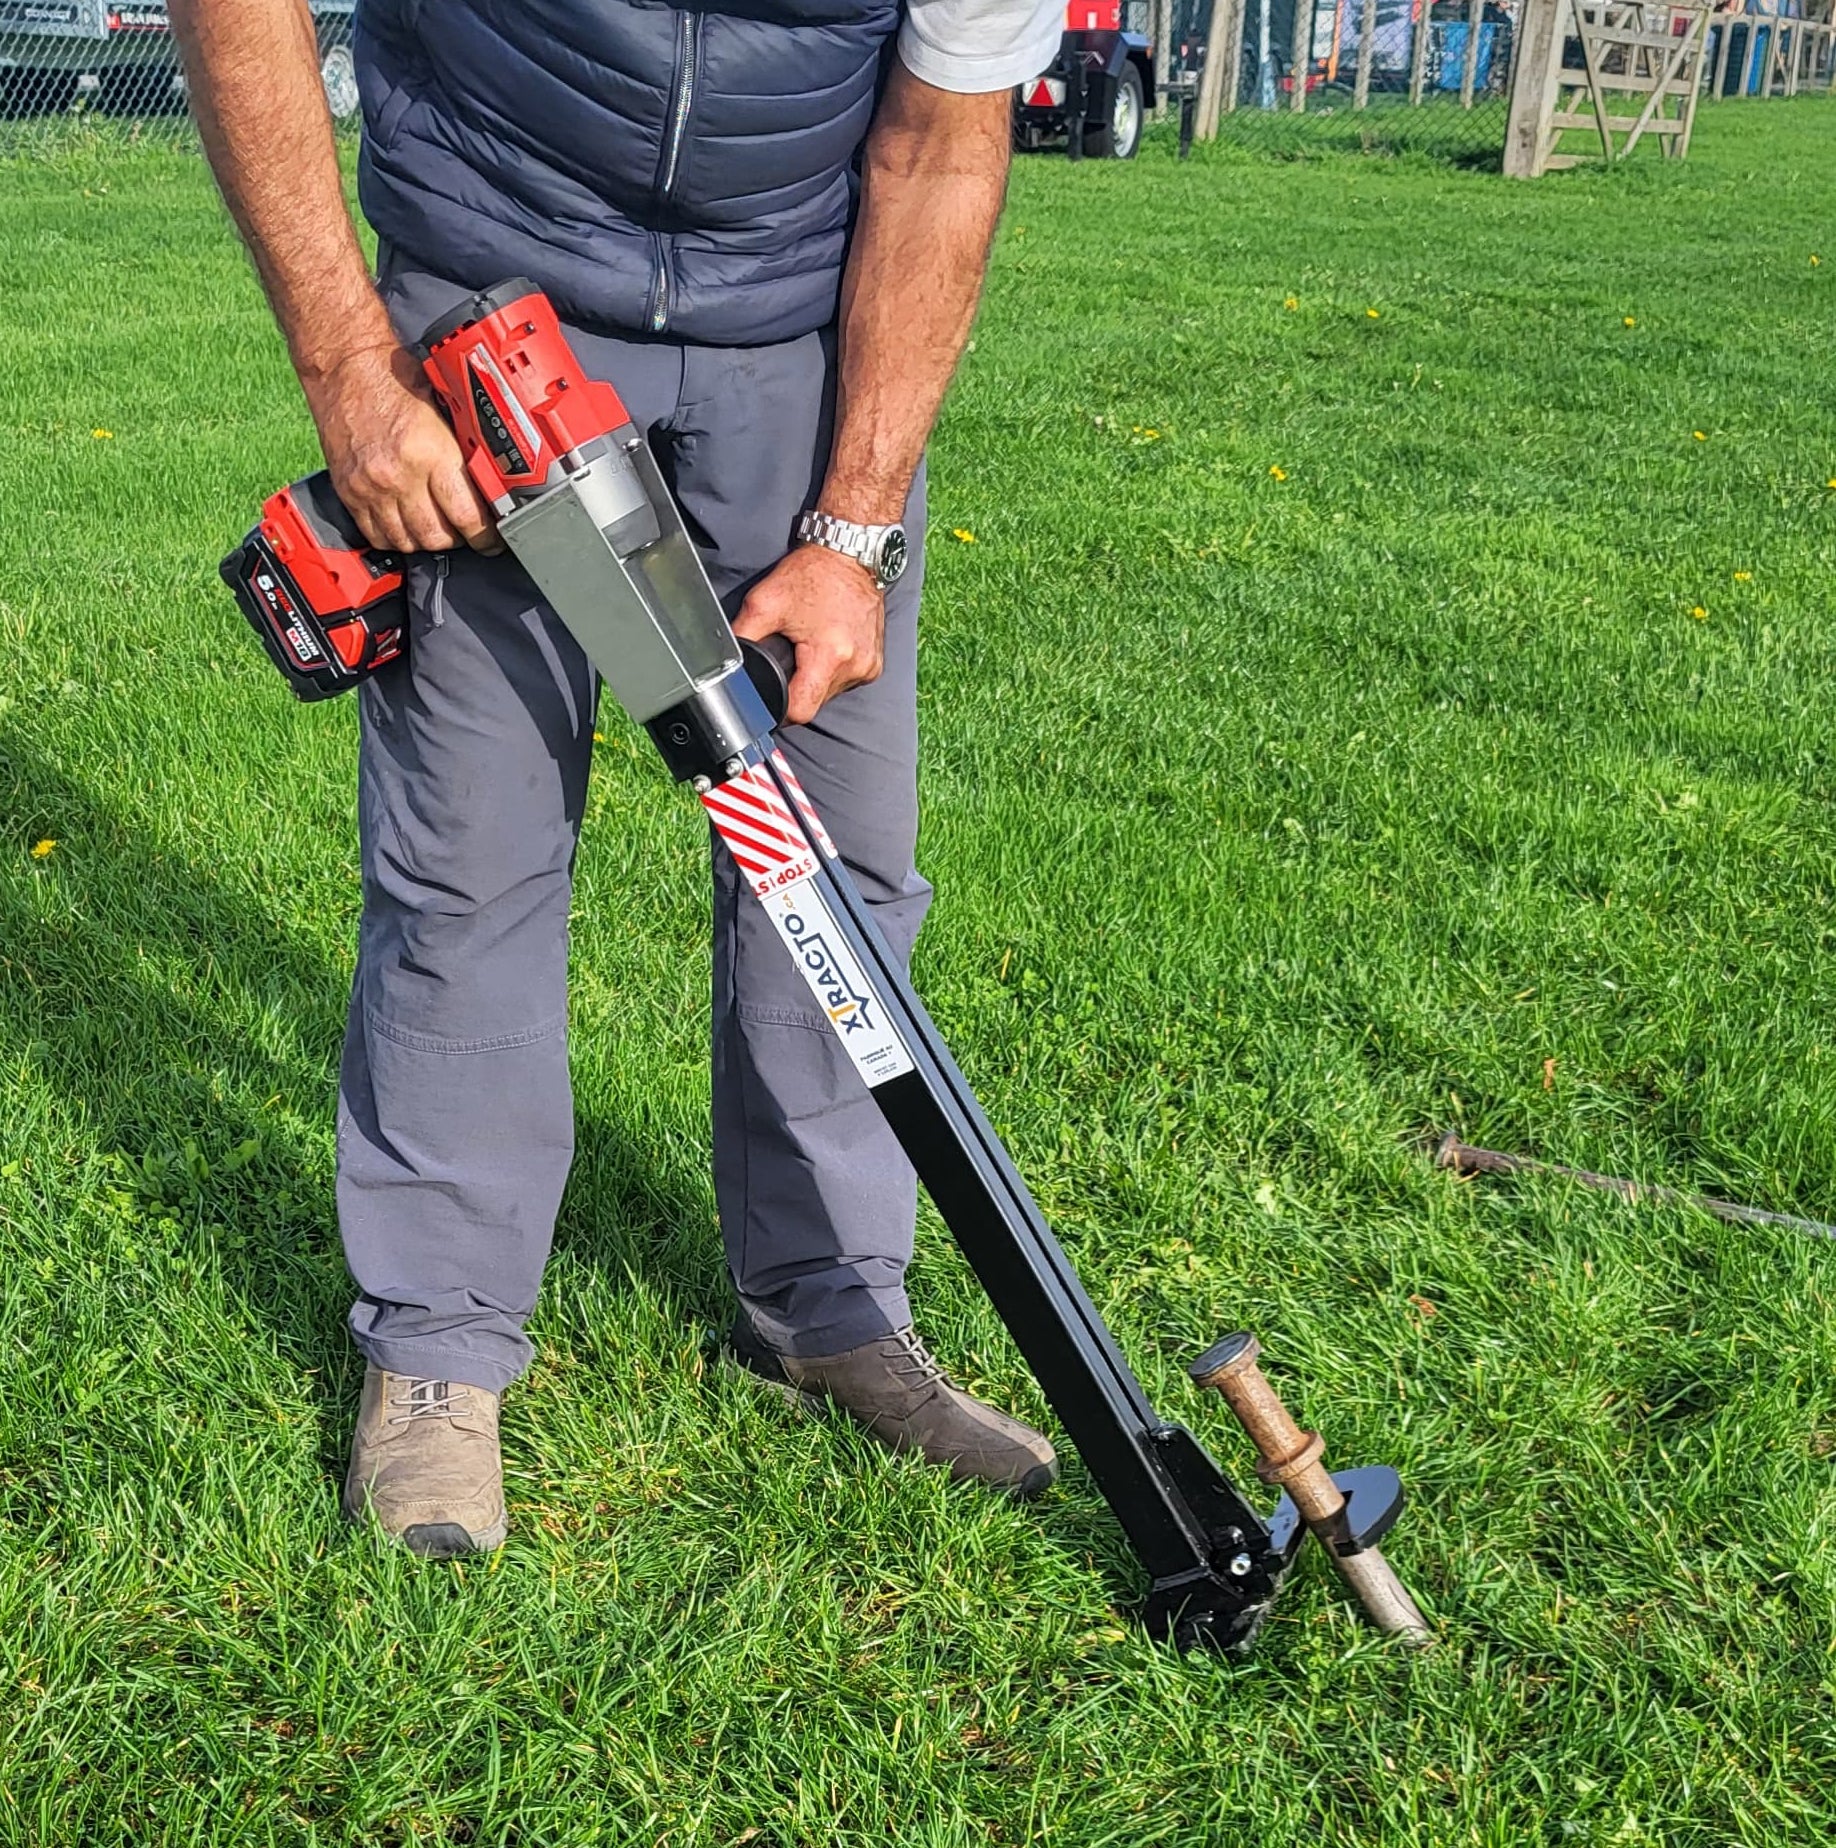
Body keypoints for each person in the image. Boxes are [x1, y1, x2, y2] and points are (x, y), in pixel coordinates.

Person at [171, 0, 1066, 1556]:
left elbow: (940, 145)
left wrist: (853, 529)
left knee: (831, 866)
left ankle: (832, 1304)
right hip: (486, 311)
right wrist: (349, 374)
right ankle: (439, 1349)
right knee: (473, 865)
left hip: (796, 332)